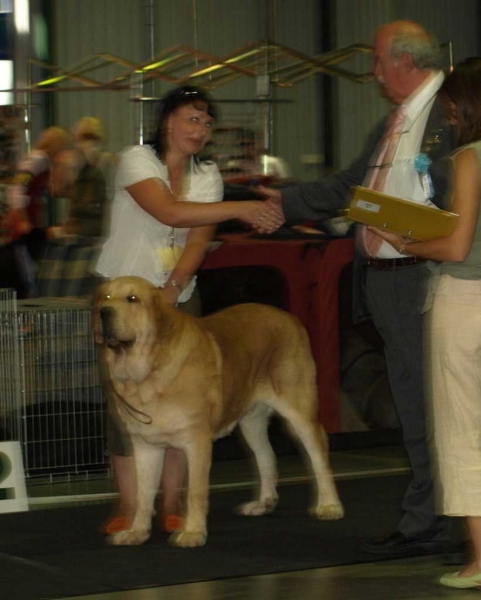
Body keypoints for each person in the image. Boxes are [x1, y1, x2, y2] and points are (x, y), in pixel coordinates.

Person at [259, 20, 458, 557]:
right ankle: (435, 517)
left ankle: (432, 522)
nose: (372, 73)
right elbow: (352, 187)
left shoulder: (450, 115)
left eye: (377, 61)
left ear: (405, 61)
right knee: (419, 408)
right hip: (390, 283)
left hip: (429, 279)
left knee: (436, 408)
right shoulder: (396, 121)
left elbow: (455, 207)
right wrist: (282, 203)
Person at [95, 85, 283, 535]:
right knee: (127, 407)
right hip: (122, 297)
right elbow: (170, 213)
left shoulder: (209, 175)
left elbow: (199, 237)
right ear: (167, 123)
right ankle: (132, 508)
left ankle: (174, 506)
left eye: (206, 123)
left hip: (177, 295)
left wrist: (174, 287)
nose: (200, 130)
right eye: (192, 120)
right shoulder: (136, 160)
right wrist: (247, 207)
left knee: (185, 405)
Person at [368, 57, 481, 589]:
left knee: (463, 432)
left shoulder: (468, 158)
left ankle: (480, 560)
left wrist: (406, 241)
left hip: (465, 302)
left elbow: (457, 246)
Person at [4, 126, 70, 240]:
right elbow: (19, 187)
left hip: (29, 214)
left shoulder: (44, 161)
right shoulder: (38, 160)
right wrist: (23, 220)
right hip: (25, 215)